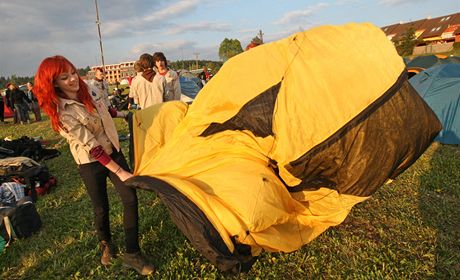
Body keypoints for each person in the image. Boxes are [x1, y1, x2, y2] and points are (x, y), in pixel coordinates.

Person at [33, 55, 154, 275]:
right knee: (100, 206)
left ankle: (133, 254)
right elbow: (93, 147)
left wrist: (129, 115)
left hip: (113, 149)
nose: (72, 79)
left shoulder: (89, 89)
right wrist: (120, 172)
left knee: (129, 197)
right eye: (64, 77)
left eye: (72, 72)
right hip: (91, 161)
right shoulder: (62, 114)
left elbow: (105, 111)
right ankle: (106, 242)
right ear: (53, 83)